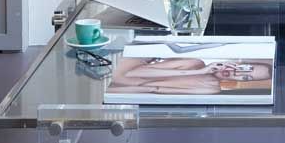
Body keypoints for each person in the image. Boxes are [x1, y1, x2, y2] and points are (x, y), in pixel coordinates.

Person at [113, 55, 272, 96]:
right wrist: (198, 71)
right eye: (246, 68)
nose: (238, 73)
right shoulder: (196, 63)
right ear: (239, 62)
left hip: (124, 88)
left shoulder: (211, 89)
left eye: (245, 77)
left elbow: (153, 89)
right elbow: (134, 72)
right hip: (122, 69)